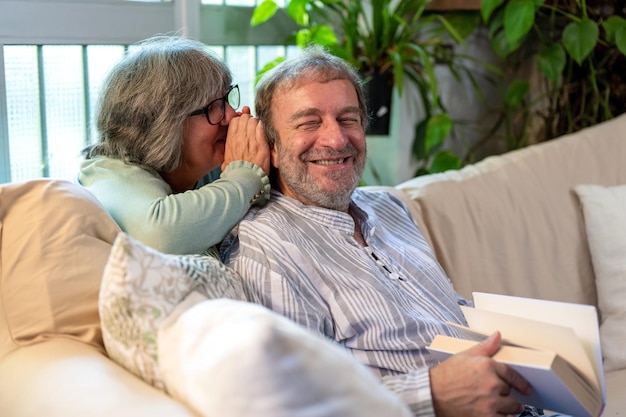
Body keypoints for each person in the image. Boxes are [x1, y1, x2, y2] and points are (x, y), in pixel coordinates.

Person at [219, 46, 537, 417]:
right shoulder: (266, 245)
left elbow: (443, 313)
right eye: (308, 123)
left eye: (348, 119)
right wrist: (432, 394)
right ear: (271, 147)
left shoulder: (388, 206)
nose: (336, 140)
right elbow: (295, 399)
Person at [79, 35, 270, 255]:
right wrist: (246, 177)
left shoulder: (197, 169)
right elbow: (160, 236)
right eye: (214, 106)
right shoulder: (107, 176)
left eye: (227, 98)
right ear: (163, 124)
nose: (231, 115)